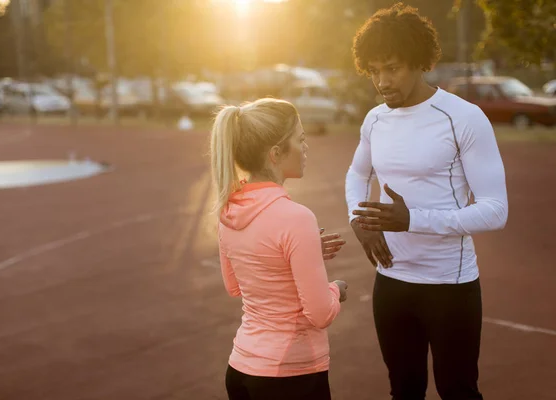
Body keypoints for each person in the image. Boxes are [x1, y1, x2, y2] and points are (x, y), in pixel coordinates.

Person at [345, 3, 508, 400]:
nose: (382, 81)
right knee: (404, 389)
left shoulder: (463, 118)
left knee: (458, 390)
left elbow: (495, 210)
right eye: (373, 71)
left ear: (419, 62)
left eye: (392, 68)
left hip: (449, 285)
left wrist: (413, 220)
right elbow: (357, 173)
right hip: (392, 281)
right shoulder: (375, 119)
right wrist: (358, 222)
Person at [210, 98, 349, 400]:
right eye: (299, 140)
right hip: (290, 376)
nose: (305, 148)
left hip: (242, 369)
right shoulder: (296, 218)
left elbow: (235, 286)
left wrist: (300, 255)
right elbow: (320, 314)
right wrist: (337, 288)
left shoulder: (227, 212)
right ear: (275, 154)